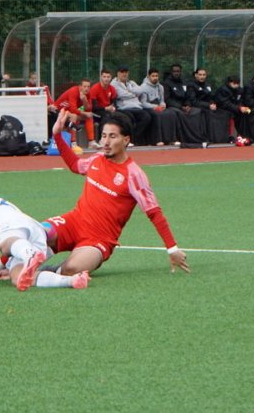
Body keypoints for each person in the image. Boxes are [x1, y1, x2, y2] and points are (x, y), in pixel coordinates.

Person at [15, 109, 188, 289]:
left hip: (99, 239)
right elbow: (75, 165)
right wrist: (57, 135)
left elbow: (154, 213)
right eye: (104, 136)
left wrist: (173, 249)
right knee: (36, 232)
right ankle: (0, 268)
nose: (106, 142)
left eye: (112, 136)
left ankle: (47, 271)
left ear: (126, 140)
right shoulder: (97, 158)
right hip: (74, 222)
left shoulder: (134, 174)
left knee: (72, 268)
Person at [0, 191, 89, 291]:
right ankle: (72, 281)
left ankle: (28, 254)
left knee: (4, 244)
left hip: (12, 226)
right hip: (33, 229)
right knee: (18, 276)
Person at [163, 63, 207, 144]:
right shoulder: (166, 83)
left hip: (185, 106)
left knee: (197, 111)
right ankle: (181, 138)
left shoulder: (184, 82)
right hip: (172, 106)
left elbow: (188, 96)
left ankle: (197, 137)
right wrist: (180, 107)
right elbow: (167, 99)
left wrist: (188, 105)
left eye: (178, 71)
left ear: (180, 72)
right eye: (174, 71)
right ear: (171, 72)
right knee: (179, 113)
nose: (176, 73)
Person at [138, 67, 181, 146]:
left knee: (171, 114)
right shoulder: (143, 87)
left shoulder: (160, 87)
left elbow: (162, 100)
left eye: (156, 76)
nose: (155, 78)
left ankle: (172, 139)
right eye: (153, 76)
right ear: (148, 76)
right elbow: (143, 103)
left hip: (159, 106)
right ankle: (157, 140)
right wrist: (155, 107)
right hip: (148, 107)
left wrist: (163, 105)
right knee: (157, 115)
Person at [215, 75, 254, 143]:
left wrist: (242, 107)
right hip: (223, 109)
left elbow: (241, 100)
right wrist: (239, 108)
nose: (236, 85)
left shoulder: (240, 90)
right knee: (232, 114)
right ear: (229, 83)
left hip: (236, 109)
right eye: (234, 83)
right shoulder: (223, 90)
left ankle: (249, 135)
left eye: (237, 83)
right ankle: (231, 136)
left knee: (251, 112)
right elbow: (225, 103)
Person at [111, 65, 153, 145]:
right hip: (123, 108)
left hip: (136, 106)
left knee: (147, 117)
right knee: (130, 118)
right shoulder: (114, 84)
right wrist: (134, 94)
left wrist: (130, 90)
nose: (124, 74)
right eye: (122, 72)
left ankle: (133, 137)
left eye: (126, 72)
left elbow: (141, 90)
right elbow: (121, 94)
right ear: (118, 73)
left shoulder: (131, 83)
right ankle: (131, 139)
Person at [53, 78, 98, 148]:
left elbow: (89, 109)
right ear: (80, 87)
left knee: (89, 117)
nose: (87, 89)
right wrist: (85, 113)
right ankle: (73, 142)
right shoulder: (73, 91)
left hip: (69, 112)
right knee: (74, 116)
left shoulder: (88, 93)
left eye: (88, 87)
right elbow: (73, 109)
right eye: (84, 86)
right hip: (58, 111)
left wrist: (84, 100)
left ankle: (91, 141)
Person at [190, 68, 230, 143]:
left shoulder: (208, 85)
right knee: (210, 114)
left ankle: (223, 138)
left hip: (209, 106)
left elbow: (211, 97)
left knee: (224, 113)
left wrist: (213, 103)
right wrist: (208, 105)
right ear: (196, 75)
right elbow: (193, 101)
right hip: (198, 107)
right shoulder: (191, 85)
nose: (202, 77)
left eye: (204, 75)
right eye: (200, 75)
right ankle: (211, 138)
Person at [88, 68, 118, 136]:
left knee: (122, 116)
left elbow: (114, 103)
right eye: (104, 77)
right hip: (96, 112)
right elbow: (94, 108)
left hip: (108, 111)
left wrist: (113, 108)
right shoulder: (95, 88)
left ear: (111, 78)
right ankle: (102, 138)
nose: (106, 79)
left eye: (108, 77)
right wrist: (106, 108)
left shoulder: (112, 88)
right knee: (106, 117)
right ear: (101, 77)